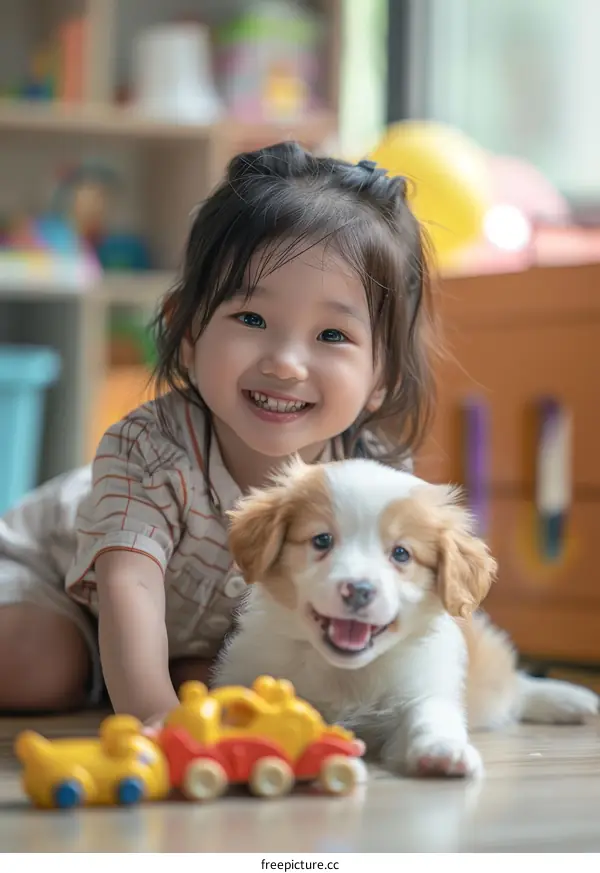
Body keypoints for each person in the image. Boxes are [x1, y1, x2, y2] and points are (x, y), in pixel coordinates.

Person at [0, 141, 436, 724]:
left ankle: (134, 672)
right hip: (48, 584)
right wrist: (158, 721)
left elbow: (409, 601)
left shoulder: (377, 483)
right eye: (251, 319)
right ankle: (122, 676)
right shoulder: (150, 450)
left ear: (382, 374)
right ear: (188, 332)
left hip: (198, 637)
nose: (285, 362)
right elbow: (129, 585)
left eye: (332, 336)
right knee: (32, 666)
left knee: (241, 685)